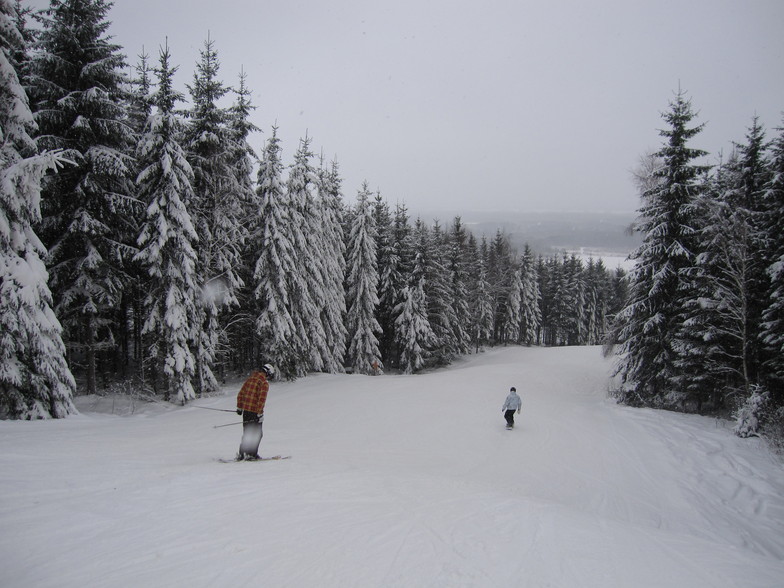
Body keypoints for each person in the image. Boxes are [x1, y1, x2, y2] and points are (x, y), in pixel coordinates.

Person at [235, 364, 275, 460]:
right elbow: (261, 399)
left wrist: (240, 407)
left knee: (247, 433)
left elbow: (241, 393)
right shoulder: (264, 383)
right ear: (268, 373)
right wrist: (260, 413)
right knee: (257, 434)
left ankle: (242, 453)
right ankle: (251, 454)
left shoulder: (251, 379)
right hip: (255, 412)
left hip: (246, 412)